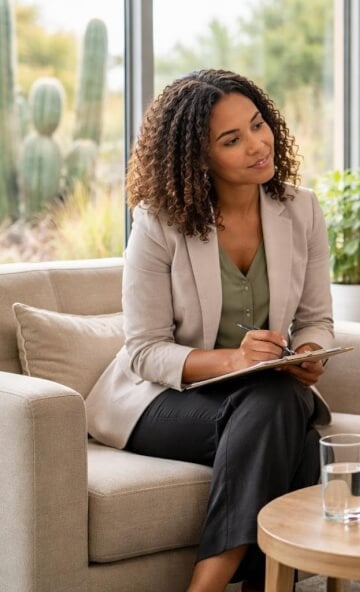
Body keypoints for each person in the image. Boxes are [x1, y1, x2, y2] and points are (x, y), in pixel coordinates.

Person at [86, 69, 334, 592]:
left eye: (258, 124)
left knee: (282, 408)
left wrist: (311, 350)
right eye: (232, 139)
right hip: (161, 400)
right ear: (200, 157)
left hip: (258, 395)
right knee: (286, 415)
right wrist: (234, 360)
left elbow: (316, 318)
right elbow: (144, 351)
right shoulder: (159, 223)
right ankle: (225, 582)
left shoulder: (301, 209)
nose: (257, 144)